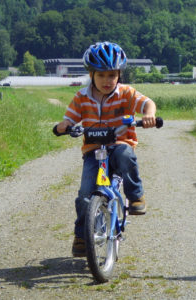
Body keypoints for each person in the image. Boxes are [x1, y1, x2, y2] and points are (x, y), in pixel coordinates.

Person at [55, 41, 157, 257]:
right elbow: (69, 119)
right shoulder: (82, 97)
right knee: (84, 195)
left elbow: (147, 103)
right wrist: (63, 126)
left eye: (112, 75)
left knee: (125, 154)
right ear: (91, 75)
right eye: (101, 75)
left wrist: (148, 115)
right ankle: (82, 235)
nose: (107, 80)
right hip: (94, 152)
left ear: (119, 74)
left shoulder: (126, 94)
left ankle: (136, 196)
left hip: (119, 145)